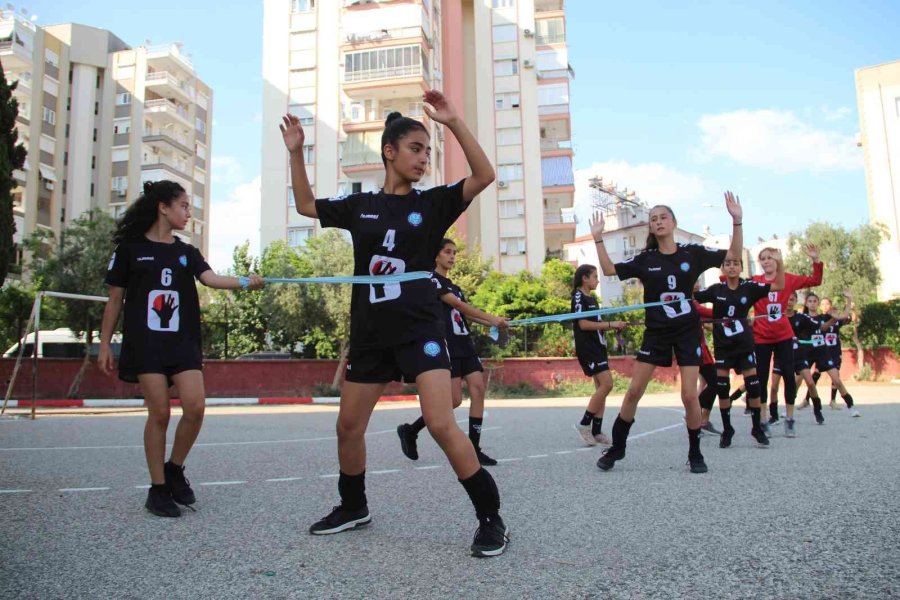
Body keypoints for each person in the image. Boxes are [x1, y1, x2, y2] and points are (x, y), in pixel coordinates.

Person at [280, 90, 509, 557]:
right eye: (416, 149)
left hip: (420, 328)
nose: (425, 159)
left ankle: (492, 519)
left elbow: (485, 175)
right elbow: (305, 205)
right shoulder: (359, 206)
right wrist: (296, 152)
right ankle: (354, 506)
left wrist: (453, 121)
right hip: (370, 332)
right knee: (348, 426)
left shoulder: (434, 205)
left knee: (443, 424)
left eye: (428, 151)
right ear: (389, 151)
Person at [97, 180, 264, 518]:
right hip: (146, 344)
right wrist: (103, 343)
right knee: (159, 413)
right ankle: (158, 490)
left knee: (196, 407)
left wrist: (247, 281)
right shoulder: (130, 249)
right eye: (184, 206)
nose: (189, 213)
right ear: (163, 207)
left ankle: (174, 468)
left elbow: (212, 279)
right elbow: (115, 299)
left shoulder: (186, 252)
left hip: (182, 342)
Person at [591, 192, 743, 473]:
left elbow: (732, 256)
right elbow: (610, 269)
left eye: (663, 217)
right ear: (650, 227)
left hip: (687, 331)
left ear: (673, 223)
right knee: (634, 390)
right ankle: (618, 447)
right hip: (657, 332)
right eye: (653, 219)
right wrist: (598, 238)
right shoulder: (646, 259)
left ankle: (695, 453)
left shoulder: (692, 253)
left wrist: (737, 221)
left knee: (689, 395)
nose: (658, 222)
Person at [397, 238, 508, 466]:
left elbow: (466, 314)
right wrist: (492, 318)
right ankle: (411, 429)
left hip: (465, 344)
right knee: (454, 400)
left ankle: (474, 448)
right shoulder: (432, 281)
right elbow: (458, 306)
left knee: (478, 388)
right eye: (447, 252)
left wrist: (495, 324)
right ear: (436, 255)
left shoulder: (455, 287)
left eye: (455, 253)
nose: (452, 256)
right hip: (448, 346)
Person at [694, 251, 783, 447]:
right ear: (723, 268)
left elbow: (779, 285)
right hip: (724, 347)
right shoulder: (716, 290)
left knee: (753, 385)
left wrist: (780, 263)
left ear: (741, 267)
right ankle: (728, 429)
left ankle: (757, 427)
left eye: (735, 263)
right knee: (723, 389)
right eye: (728, 263)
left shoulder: (749, 287)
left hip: (744, 345)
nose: (732, 266)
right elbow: (691, 298)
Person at [750, 244, 822, 436]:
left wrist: (815, 260)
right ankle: (763, 419)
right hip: (761, 336)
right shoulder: (755, 281)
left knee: (789, 376)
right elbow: (733, 288)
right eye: (763, 258)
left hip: (783, 335)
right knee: (762, 378)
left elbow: (816, 280)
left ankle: (789, 419)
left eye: (770, 257)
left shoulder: (788, 279)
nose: (766, 261)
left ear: (777, 260)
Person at [570, 264, 627, 446]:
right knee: (607, 384)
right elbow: (583, 324)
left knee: (601, 388)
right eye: (595, 276)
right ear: (584, 278)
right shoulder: (579, 297)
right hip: (588, 348)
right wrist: (611, 325)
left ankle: (596, 431)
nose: (597, 279)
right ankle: (584, 423)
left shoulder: (592, 298)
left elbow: (597, 324)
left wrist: (614, 329)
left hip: (598, 347)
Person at [806, 292, 860, 417]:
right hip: (809, 351)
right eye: (810, 301)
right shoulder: (804, 317)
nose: (814, 304)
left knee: (837, 380)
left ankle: (850, 405)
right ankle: (791, 408)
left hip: (825, 352)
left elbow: (847, 316)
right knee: (800, 380)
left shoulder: (826, 318)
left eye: (816, 301)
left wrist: (849, 301)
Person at [694, 298, 722, 436]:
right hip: (696, 351)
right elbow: (710, 313)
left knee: (706, 384)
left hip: (702, 350)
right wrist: (731, 308)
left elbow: (707, 324)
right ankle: (693, 415)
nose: (698, 284)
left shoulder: (694, 303)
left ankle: (703, 421)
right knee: (715, 383)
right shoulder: (690, 302)